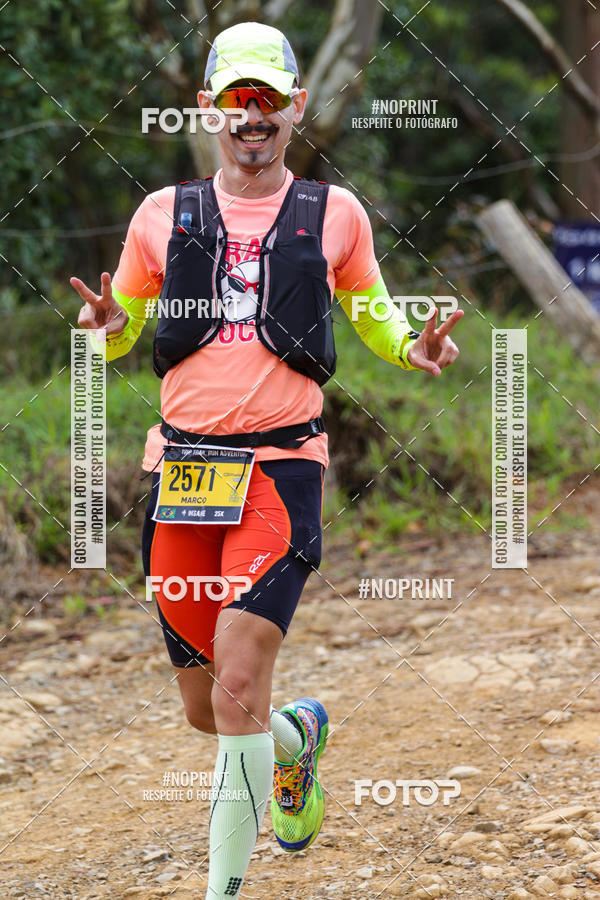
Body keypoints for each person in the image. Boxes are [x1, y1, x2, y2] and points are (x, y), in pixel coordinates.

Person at [71, 21, 462, 900]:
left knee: (241, 679)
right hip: (183, 473)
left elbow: (373, 313)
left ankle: (222, 891)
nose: (254, 115)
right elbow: (123, 326)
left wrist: (413, 349)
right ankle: (297, 740)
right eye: (237, 98)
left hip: (283, 473)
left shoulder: (337, 214)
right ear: (209, 107)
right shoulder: (162, 215)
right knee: (209, 710)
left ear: (296, 107)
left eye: (269, 99)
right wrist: (102, 331)